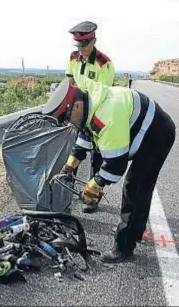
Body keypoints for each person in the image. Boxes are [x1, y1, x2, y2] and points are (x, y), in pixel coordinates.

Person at [42, 78, 177, 263]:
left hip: (157, 134)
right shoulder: (90, 103)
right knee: (140, 186)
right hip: (147, 128)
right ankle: (134, 231)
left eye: (66, 117)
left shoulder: (106, 116)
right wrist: (70, 164)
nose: (68, 122)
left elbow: (116, 164)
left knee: (135, 186)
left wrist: (95, 184)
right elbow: (85, 135)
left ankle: (124, 247)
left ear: (76, 106)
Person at [64, 20, 116, 213]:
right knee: (73, 154)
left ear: (93, 41)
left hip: (96, 116)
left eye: (84, 45)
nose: (81, 49)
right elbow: (70, 83)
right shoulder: (73, 58)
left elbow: (103, 96)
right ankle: (66, 194)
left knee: (97, 157)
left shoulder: (104, 63)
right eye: (78, 45)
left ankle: (91, 198)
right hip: (77, 114)